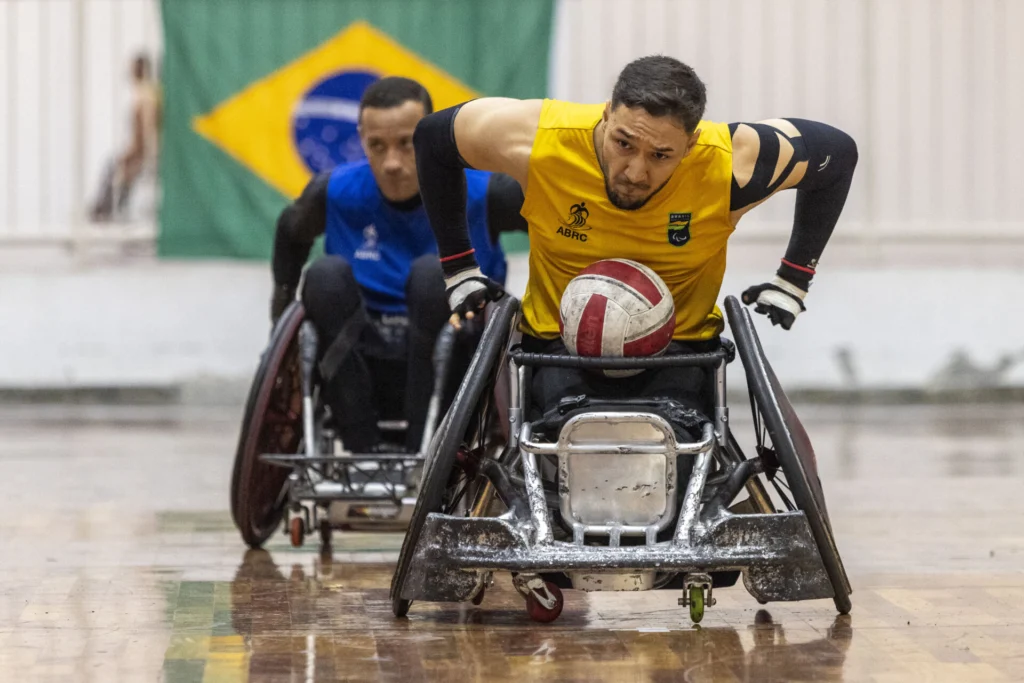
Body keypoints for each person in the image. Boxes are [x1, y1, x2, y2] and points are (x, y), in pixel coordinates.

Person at [413, 55, 857, 415]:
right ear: (607, 115)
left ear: (692, 142)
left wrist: (794, 278)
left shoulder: (729, 163)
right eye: (623, 143)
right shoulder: (541, 138)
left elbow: (837, 155)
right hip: (556, 347)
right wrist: (458, 269)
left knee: (676, 466)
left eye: (662, 155)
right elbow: (433, 138)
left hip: (680, 350)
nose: (635, 171)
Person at [271, 76, 526, 453]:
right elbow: (290, 233)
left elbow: (557, 224)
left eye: (406, 144)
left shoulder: (487, 193)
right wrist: (279, 312)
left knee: (431, 275)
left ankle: (426, 453)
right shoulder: (334, 192)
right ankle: (363, 454)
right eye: (377, 146)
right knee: (324, 276)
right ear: (361, 139)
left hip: (460, 353)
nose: (392, 163)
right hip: (361, 362)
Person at [90, 53, 162, 222]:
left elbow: (146, 133)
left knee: (114, 169)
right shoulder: (149, 93)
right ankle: (109, 210)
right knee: (113, 168)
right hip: (140, 152)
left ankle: (106, 212)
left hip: (141, 153)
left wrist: (142, 155)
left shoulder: (146, 96)